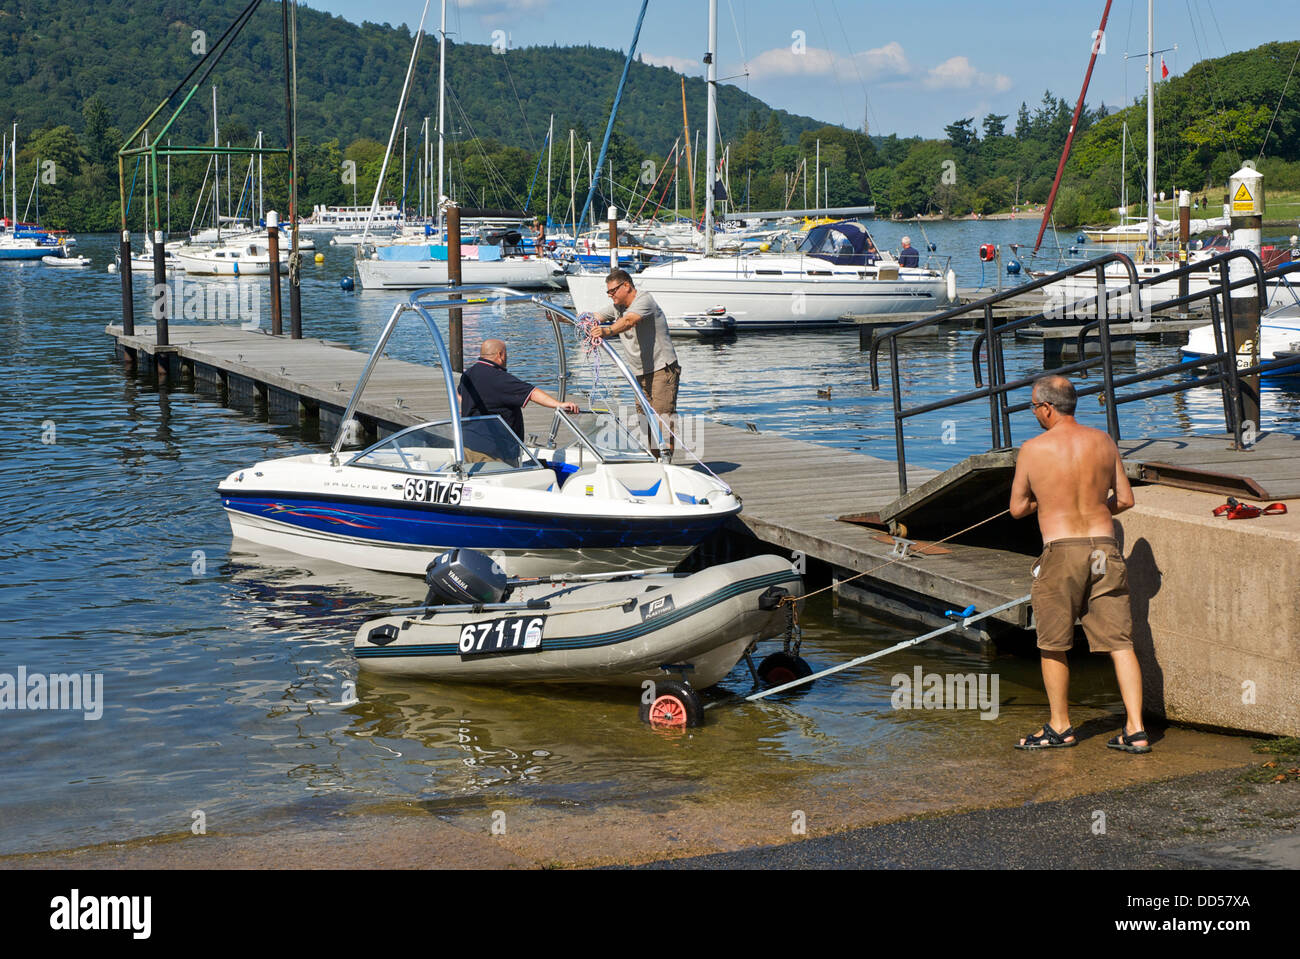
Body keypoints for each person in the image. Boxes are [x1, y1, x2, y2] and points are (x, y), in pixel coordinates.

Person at [1009, 375, 1150, 753]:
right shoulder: (1103, 441)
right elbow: (1125, 499)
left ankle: (1060, 727)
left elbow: (1018, 508)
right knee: (1121, 642)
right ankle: (1136, 730)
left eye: (1034, 407)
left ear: (1047, 408)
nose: (1035, 413)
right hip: (1104, 547)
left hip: (1062, 550)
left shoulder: (1032, 449)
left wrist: (1048, 503)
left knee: (1053, 642)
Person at [590, 268, 681, 459]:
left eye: (613, 291)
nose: (610, 295)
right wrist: (561, 317)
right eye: (608, 292)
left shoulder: (644, 300)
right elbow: (593, 317)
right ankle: (655, 460)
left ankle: (666, 462)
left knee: (663, 418)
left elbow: (630, 321)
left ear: (626, 286)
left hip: (661, 369)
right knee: (645, 421)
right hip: (639, 373)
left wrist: (607, 332)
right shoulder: (617, 307)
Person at [458, 338, 578, 445]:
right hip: (496, 447)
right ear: (500, 355)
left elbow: (459, 393)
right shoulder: (500, 378)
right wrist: (559, 404)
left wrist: (466, 407)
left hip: (470, 440)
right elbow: (532, 393)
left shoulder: (468, 374)